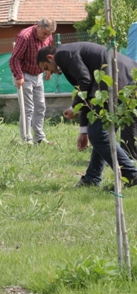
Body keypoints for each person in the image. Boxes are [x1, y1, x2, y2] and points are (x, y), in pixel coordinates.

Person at [37, 42, 137, 188]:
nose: (49, 73)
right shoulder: (68, 54)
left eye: (46, 68)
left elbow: (85, 82)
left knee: (98, 135)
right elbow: (85, 95)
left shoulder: (63, 55)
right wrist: (83, 131)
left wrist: (73, 108)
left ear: (50, 57)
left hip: (117, 83)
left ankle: (131, 174)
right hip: (126, 80)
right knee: (101, 135)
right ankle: (92, 178)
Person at [9, 18, 57, 145]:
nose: (46, 37)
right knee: (28, 108)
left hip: (38, 75)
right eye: (45, 33)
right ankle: (26, 138)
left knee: (40, 107)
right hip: (25, 75)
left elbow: (48, 54)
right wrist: (19, 76)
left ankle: (39, 137)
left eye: (49, 34)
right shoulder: (25, 36)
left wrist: (48, 69)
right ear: (38, 27)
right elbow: (15, 59)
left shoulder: (48, 37)